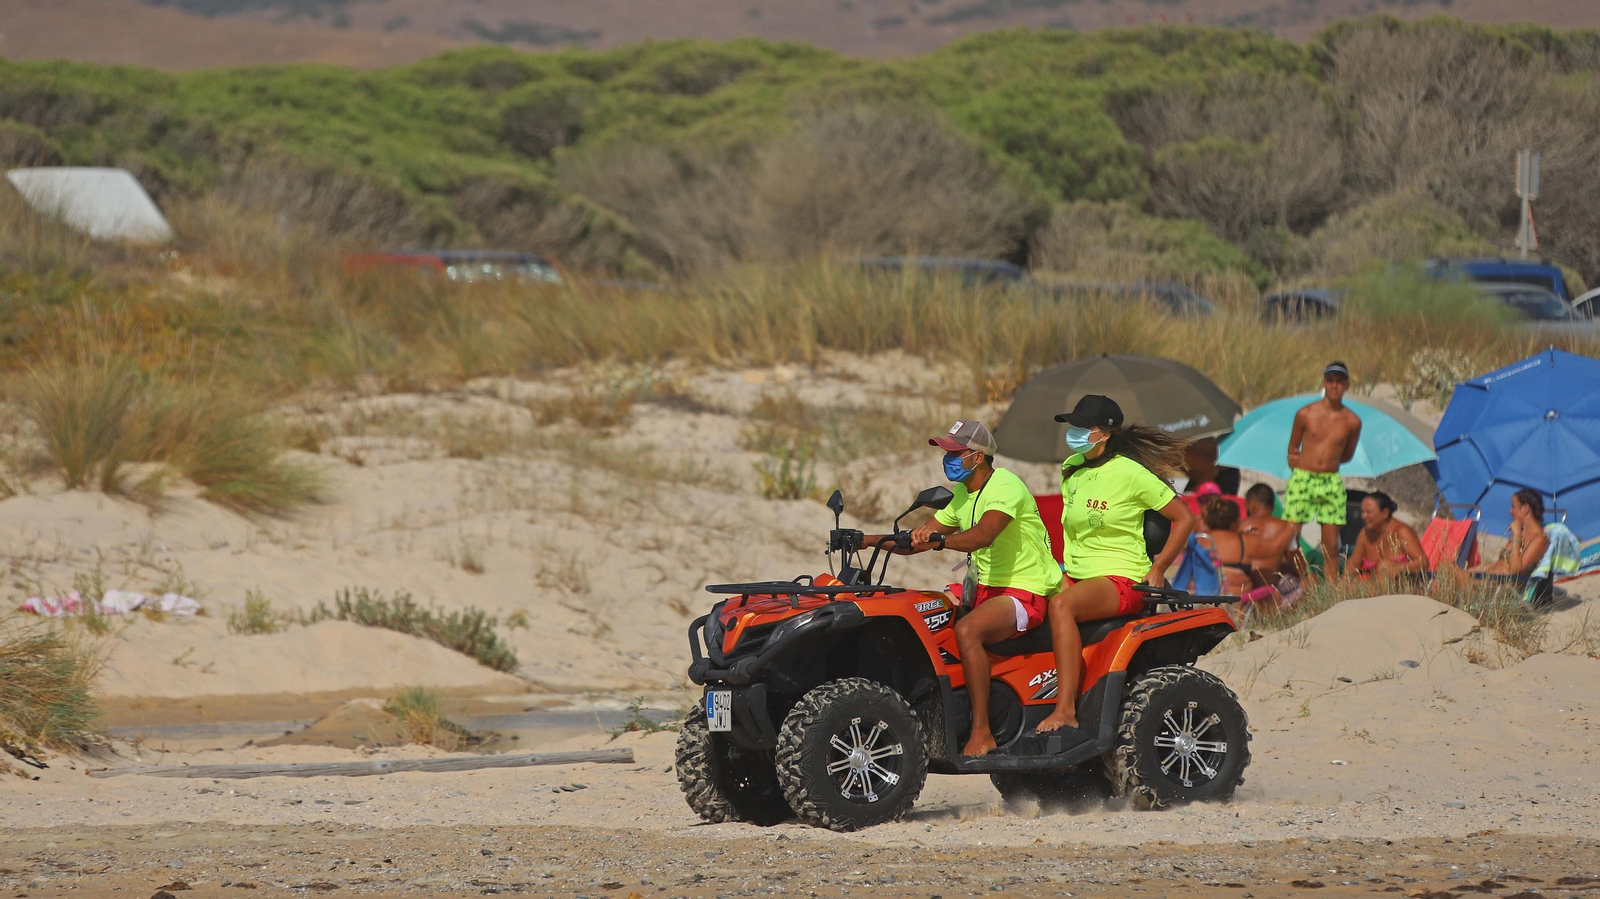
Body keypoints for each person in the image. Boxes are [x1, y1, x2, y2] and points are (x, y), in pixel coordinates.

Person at [879, 420, 1063, 758]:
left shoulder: (1006, 485)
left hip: (1026, 590)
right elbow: (920, 539)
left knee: (967, 631)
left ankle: (982, 733)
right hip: (987, 592)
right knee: (929, 620)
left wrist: (939, 542)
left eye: (954, 452)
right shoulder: (964, 494)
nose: (946, 458)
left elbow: (983, 535)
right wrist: (868, 541)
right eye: (945, 451)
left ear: (978, 458)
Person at [1034, 395, 1195, 738]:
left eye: (1081, 426)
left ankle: (1065, 710)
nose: (1073, 432)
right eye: (1072, 425)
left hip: (1121, 577)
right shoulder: (1072, 468)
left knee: (1061, 605)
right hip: (1075, 573)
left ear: (1104, 433)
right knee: (1026, 595)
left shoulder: (1131, 473)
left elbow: (1184, 518)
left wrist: (1159, 567)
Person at [1285, 362, 1362, 573]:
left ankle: (1331, 588)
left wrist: (1328, 462)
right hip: (1303, 477)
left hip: (1330, 480)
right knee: (1290, 537)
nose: (1334, 386)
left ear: (1346, 385)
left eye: (1339, 381)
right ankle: (1302, 580)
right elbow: (1292, 448)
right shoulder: (1305, 413)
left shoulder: (1352, 421)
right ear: (1324, 383)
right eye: (1330, 381)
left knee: (1331, 542)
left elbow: (1346, 455)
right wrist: (1298, 463)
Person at [1469, 489, 1551, 579]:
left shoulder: (1540, 539)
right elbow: (1500, 563)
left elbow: (1515, 570)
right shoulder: (1520, 532)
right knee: (1453, 570)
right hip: (1489, 578)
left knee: (1452, 572)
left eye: (1513, 507)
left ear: (1525, 508)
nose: (1510, 511)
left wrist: (1517, 535)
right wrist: (1479, 569)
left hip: (1502, 585)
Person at [1348, 492, 1427, 581]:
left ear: (1385, 513)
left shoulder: (1402, 532)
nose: (1363, 516)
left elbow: (1423, 562)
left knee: (1384, 567)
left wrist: (1398, 569)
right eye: (1362, 512)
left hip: (1401, 586)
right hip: (1374, 586)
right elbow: (1352, 566)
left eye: (1368, 512)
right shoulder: (1365, 534)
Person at [1198, 496, 1259, 596]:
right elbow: (1277, 546)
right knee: (1274, 594)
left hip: (1203, 603)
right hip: (1238, 607)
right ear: (1234, 522)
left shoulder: (1198, 541)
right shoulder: (1245, 542)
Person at [1241, 483, 1298, 575]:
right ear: (1273, 506)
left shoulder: (1240, 526)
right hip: (1274, 584)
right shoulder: (1286, 527)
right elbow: (1297, 565)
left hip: (1248, 585)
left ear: (1251, 504)